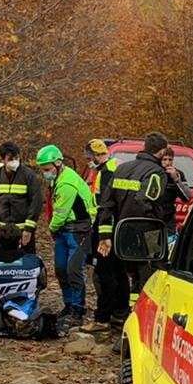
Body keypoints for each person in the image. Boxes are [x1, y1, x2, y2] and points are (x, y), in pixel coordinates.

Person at [96, 131, 171, 312]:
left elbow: (106, 204)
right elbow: (147, 201)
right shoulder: (156, 172)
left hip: (121, 234)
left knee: (126, 276)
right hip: (147, 233)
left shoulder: (121, 169)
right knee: (149, 278)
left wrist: (105, 235)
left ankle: (125, 313)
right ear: (162, 152)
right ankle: (142, 313)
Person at [37, 144, 96, 329]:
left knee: (73, 269)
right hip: (64, 230)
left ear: (57, 163)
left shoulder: (66, 183)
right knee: (61, 269)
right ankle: (68, 304)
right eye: (43, 170)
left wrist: (51, 229)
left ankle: (78, 310)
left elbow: (60, 214)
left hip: (79, 230)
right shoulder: (57, 178)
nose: (45, 173)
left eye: (47, 169)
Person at [85, 139, 124, 331]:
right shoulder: (116, 166)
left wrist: (103, 236)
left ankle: (103, 318)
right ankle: (120, 313)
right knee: (119, 272)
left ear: (96, 155)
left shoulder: (107, 172)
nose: (88, 162)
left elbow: (107, 205)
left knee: (104, 273)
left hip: (106, 229)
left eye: (89, 158)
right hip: (116, 228)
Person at [0, 141, 43, 259]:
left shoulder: (28, 175)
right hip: (1, 232)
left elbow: (36, 203)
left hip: (23, 229)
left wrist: (29, 229)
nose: (14, 161)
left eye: (16, 158)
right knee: (1, 262)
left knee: (27, 261)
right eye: (10, 159)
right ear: (3, 160)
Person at [157, 147, 193, 229]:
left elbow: (187, 197)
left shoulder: (178, 174)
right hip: (154, 215)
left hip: (169, 218)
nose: (167, 163)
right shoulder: (154, 172)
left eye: (170, 160)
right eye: (164, 159)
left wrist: (176, 179)